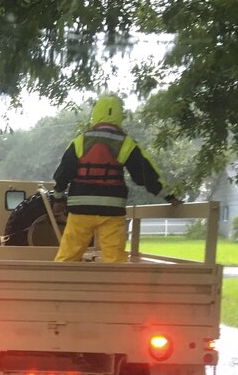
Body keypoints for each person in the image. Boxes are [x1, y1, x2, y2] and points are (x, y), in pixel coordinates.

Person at [52, 95, 177, 263]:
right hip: (111, 211)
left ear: (96, 115)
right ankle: (115, 288)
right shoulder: (126, 143)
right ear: (119, 116)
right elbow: (145, 174)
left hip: (81, 210)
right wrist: (168, 195)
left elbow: (63, 173)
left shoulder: (80, 141)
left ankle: (57, 287)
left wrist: (57, 198)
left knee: (67, 257)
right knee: (115, 261)